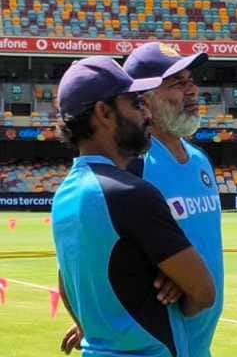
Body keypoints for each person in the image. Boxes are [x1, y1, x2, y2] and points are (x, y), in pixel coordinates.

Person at [52, 56, 216, 356]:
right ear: (104, 112)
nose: (146, 115)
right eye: (134, 104)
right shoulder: (131, 193)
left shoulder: (66, 193)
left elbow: (70, 282)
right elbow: (203, 293)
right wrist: (182, 286)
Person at [123, 42, 224, 357]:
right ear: (144, 99)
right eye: (177, 83)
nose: (192, 91)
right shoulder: (133, 166)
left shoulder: (200, 159)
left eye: (191, 80)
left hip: (199, 347)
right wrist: (93, 319)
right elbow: (82, 254)